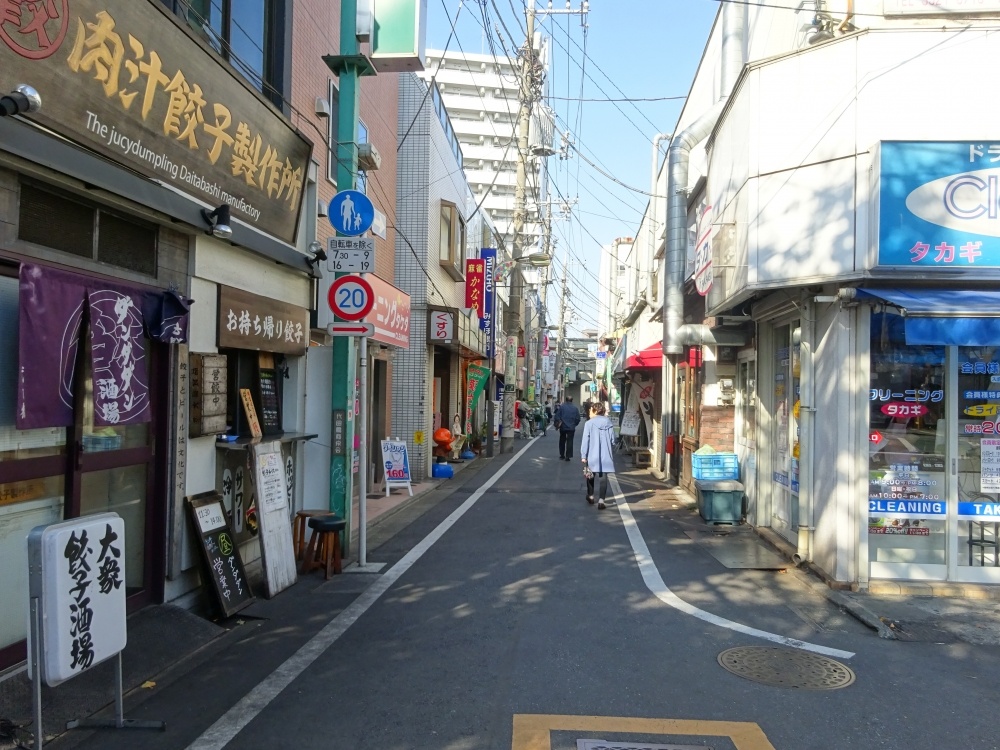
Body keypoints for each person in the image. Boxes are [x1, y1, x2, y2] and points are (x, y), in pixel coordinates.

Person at [580, 401, 616, 509]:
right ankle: (601, 501)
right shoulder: (608, 422)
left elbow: (585, 440)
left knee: (590, 475)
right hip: (605, 454)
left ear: (595, 410)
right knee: (603, 478)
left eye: (591, 410)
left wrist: (583, 455)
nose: (590, 412)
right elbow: (612, 440)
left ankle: (591, 496)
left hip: (592, 454)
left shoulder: (589, 423)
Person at [554, 395, 581, 461]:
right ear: (572, 400)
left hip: (563, 426)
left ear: (566, 400)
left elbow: (557, 416)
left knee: (562, 440)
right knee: (570, 441)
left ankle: (562, 455)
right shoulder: (575, 408)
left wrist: (558, 423)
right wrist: (574, 424)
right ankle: (568, 456)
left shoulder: (562, 407)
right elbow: (578, 418)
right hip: (571, 427)